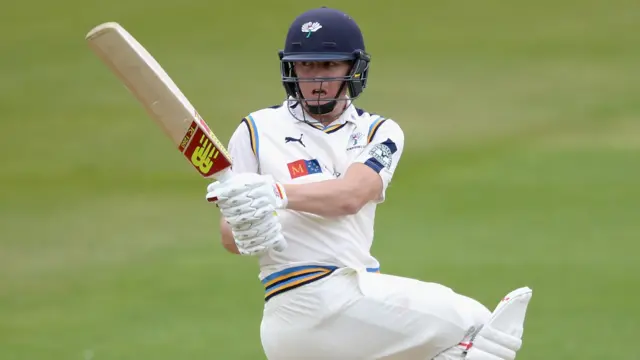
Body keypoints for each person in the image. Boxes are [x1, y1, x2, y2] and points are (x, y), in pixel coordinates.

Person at [205, 6, 533, 360]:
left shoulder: (379, 132)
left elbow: (351, 196)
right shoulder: (255, 130)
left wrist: (277, 193)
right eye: (306, 65)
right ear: (291, 68)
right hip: (301, 301)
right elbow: (230, 235)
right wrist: (248, 229)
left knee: (462, 345)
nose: (315, 79)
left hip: (354, 304)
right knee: (478, 326)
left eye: (329, 65)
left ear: (353, 68)